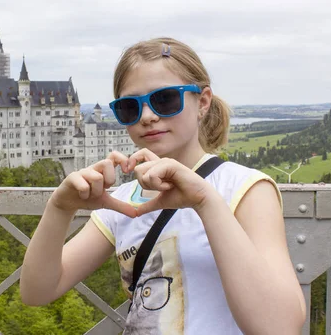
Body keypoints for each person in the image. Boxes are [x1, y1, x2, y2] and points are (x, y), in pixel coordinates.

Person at [21, 38, 306, 334]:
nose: (147, 116)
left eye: (166, 99)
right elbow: (37, 291)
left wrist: (205, 202)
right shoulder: (124, 200)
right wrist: (60, 207)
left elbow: (280, 327)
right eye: (130, 107)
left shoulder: (244, 188)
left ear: (203, 101)